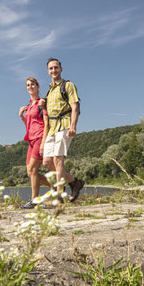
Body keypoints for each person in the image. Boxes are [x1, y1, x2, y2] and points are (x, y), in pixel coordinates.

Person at [41, 58, 85, 203]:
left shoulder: (68, 85)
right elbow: (48, 113)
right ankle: (74, 183)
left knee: (58, 159)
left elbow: (75, 106)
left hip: (65, 125)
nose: (54, 71)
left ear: (61, 68)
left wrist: (73, 125)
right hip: (52, 129)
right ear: (48, 71)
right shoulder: (49, 91)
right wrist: (43, 105)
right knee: (47, 162)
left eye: (56, 67)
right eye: (51, 69)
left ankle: (59, 195)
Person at [18, 77, 51, 209]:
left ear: (37, 86)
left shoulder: (41, 103)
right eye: (28, 85)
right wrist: (22, 117)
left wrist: (43, 143)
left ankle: (34, 199)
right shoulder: (29, 106)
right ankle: (57, 185)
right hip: (31, 140)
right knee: (30, 172)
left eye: (32, 84)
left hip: (40, 137)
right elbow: (29, 125)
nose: (30, 87)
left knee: (33, 169)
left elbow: (46, 123)